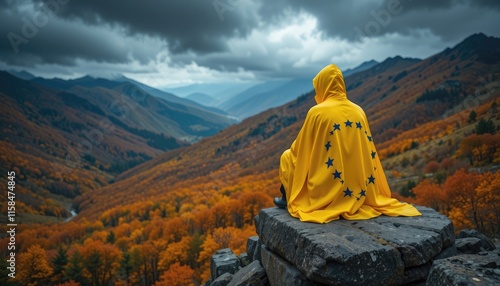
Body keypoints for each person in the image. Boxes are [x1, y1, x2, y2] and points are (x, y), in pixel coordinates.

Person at [274, 64, 421, 223]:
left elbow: (300, 149)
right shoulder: (359, 110)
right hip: (360, 184)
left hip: (327, 183)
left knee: (287, 156)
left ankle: (287, 198)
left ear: (323, 86)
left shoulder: (317, 112)